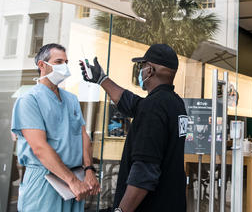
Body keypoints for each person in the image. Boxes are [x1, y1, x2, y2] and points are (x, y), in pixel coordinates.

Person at [80, 44, 188, 212]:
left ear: (150, 70)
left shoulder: (153, 107)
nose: (140, 71)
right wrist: (101, 79)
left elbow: (144, 172)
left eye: (142, 66)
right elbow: (131, 103)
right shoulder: (175, 103)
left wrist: (121, 210)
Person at [11, 43, 99, 211]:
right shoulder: (29, 100)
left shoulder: (71, 99)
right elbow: (39, 148)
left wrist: (88, 169)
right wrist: (72, 182)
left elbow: (83, 136)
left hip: (74, 178)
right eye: (58, 62)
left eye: (66, 62)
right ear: (42, 65)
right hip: (44, 180)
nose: (64, 67)